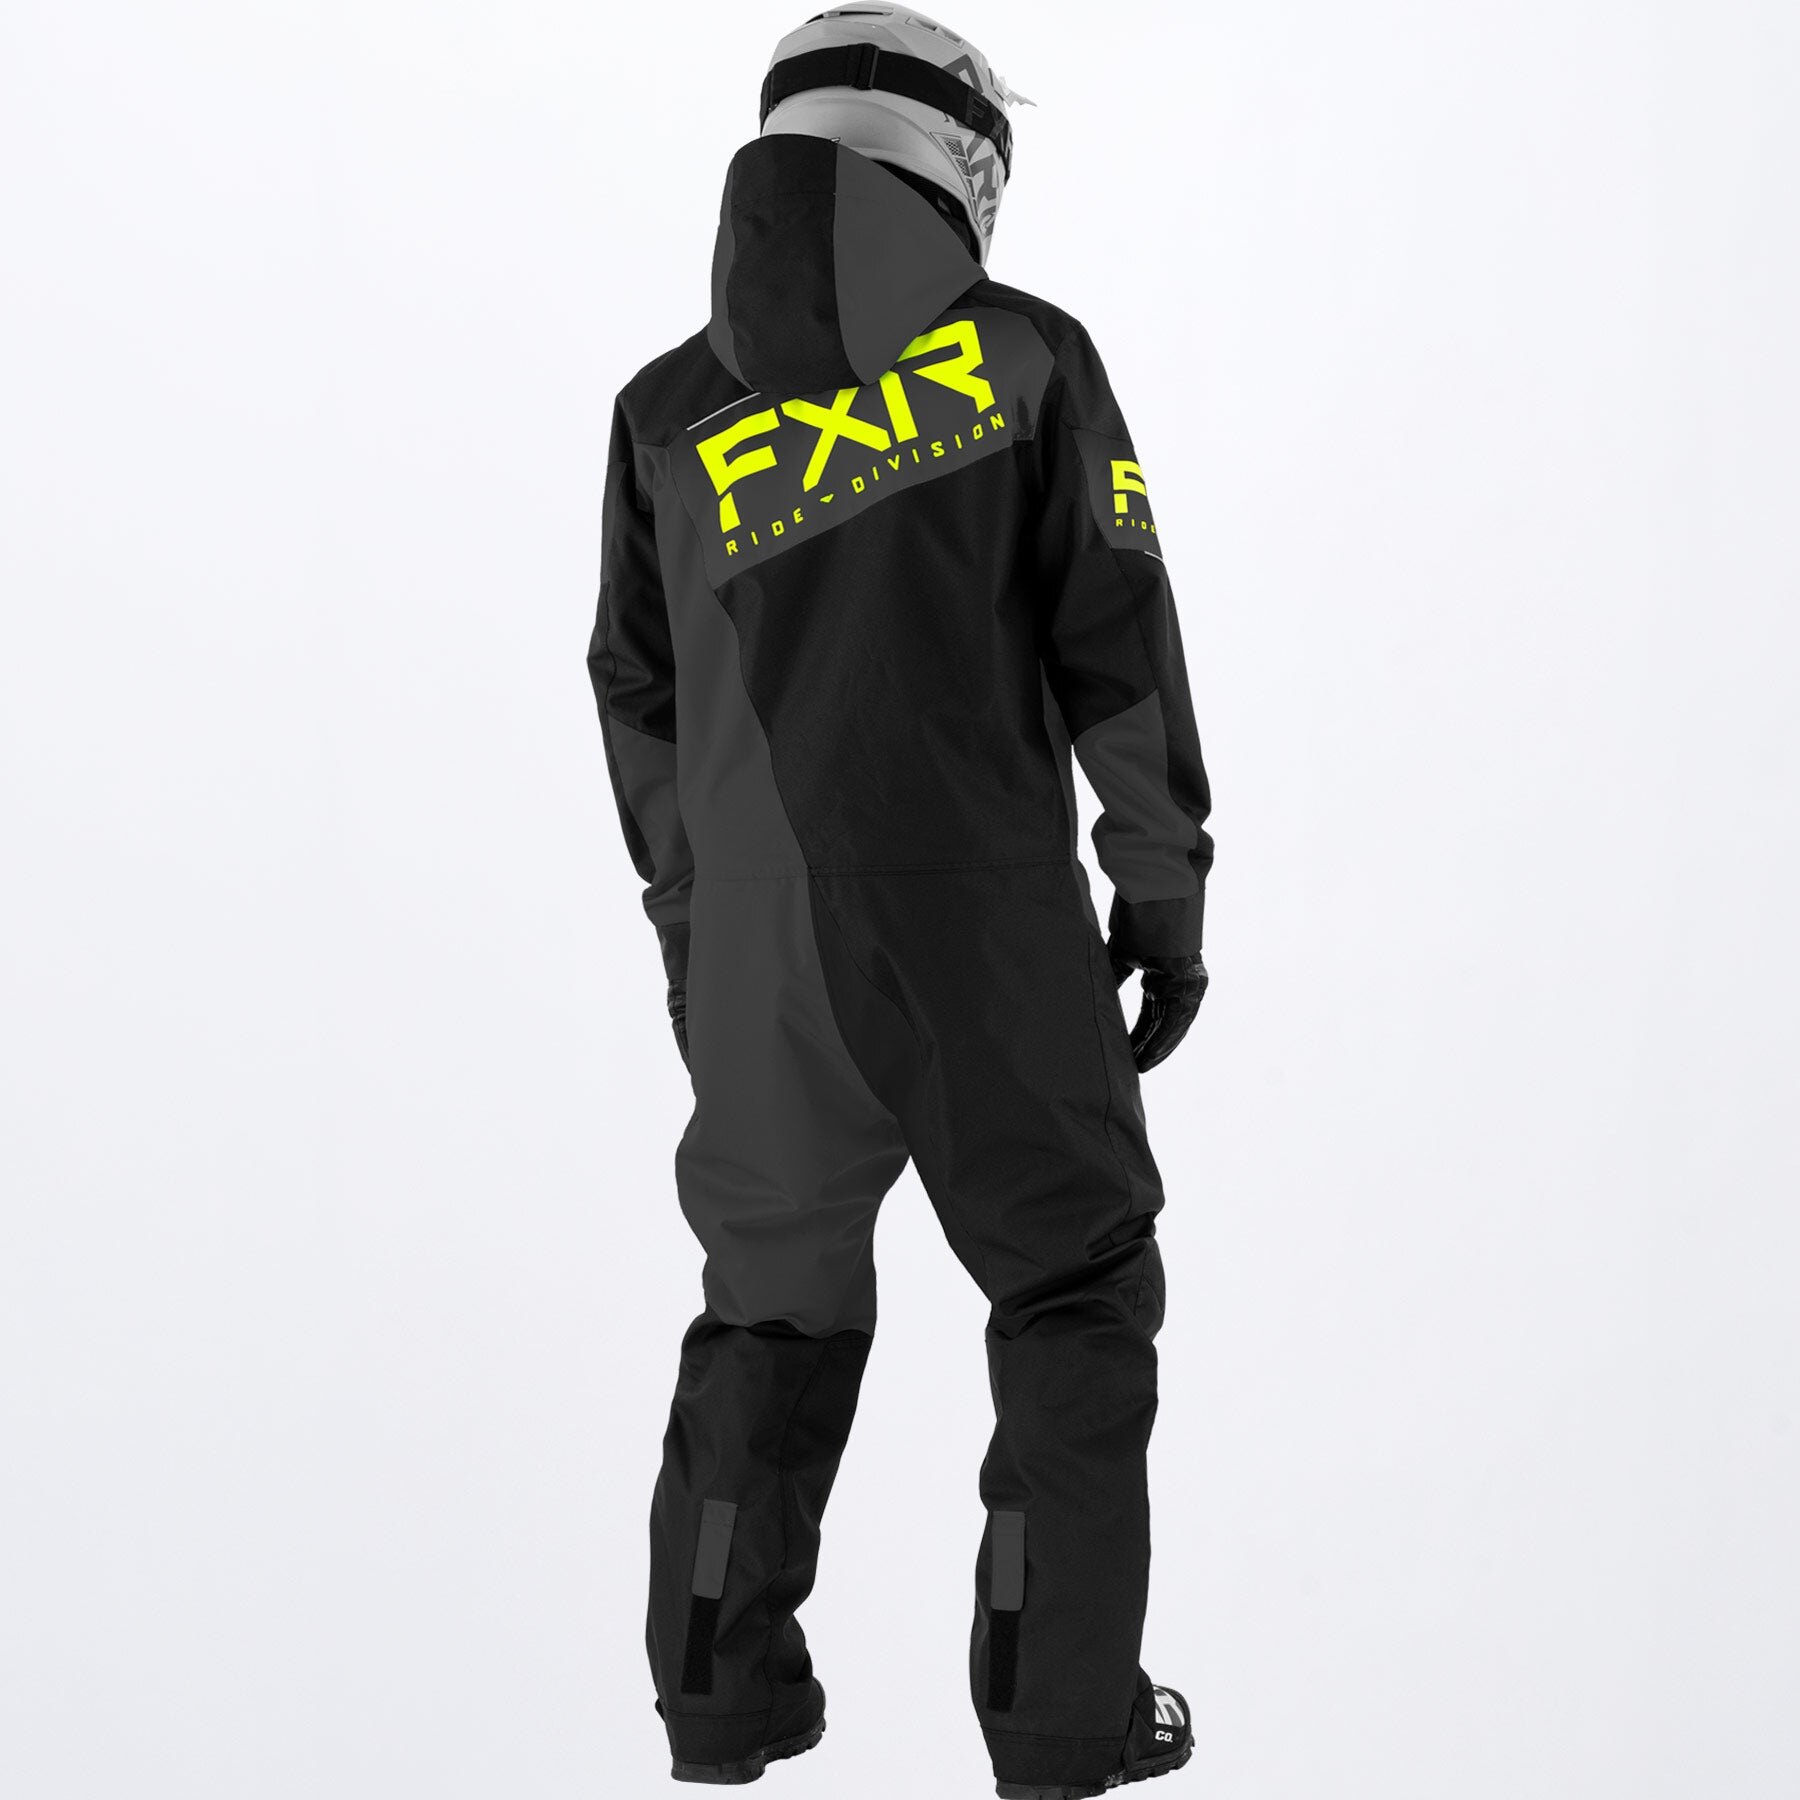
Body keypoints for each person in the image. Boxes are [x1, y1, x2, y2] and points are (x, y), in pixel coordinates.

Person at [588, 9, 1213, 1795]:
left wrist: (697, 938)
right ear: (964, 163)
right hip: (981, 931)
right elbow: (1118, 645)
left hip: (755, 958)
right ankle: (1058, 1718)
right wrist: (1161, 896)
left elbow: (637, 698)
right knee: (1074, 1289)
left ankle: (719, 1703)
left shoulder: (661, 414)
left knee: (767, 1312)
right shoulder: (1024, 361)